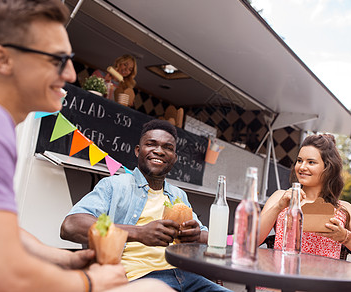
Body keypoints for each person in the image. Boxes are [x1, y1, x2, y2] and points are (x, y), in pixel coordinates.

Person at [0, 0, 172, 291]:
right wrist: (88, 281)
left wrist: (65, 259)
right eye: (57, 60)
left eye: (69, 61)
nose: (71, 74)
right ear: (2, 59)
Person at [61, 119, 231, 292]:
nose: (159, 151)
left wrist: (195, 236)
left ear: (174, 158)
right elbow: (70, 226)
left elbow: (208, 237)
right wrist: (138, 232)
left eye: (168, 147)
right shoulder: (115, 185)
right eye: (151, 144)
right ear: (138, 151)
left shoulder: (178, 195)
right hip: (136, 279)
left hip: (187, 276)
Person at [258, 134, 351, 268]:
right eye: (300, 160)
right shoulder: (280, 197)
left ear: (328, 168)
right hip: (281, 282)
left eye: (311, 162)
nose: (302, 167)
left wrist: (344, 237)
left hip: (322, 283)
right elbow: (250, 242)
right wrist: (279, 206)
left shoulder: (343, 209)